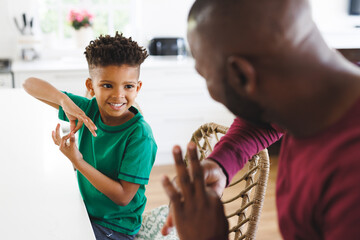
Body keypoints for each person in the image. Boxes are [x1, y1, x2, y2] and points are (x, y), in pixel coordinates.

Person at [161, 0, 360, 239]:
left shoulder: (350, 178)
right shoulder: (312, 101)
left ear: (242, 75)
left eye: (204, 75)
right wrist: (221, 164)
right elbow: (265, 119)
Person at [23, 32, 157, 240]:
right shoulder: (87, 110)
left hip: (116, 226)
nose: (118, 95)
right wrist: (63, 100)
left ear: (137, 88)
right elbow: (29, 84)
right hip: (88, 212)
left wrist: (77, 161)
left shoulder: (140, 136)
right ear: (90, 87)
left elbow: (123, 197)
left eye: (128, 86)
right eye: (107, 85)